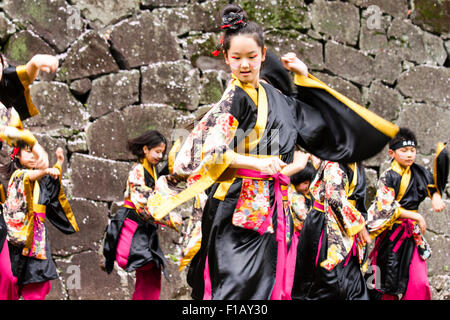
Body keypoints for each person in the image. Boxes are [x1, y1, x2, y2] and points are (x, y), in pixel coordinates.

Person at [143, 4, 398, 300]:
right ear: (225, 58)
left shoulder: (280, 100)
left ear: (263, 55)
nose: (245, 65)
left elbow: (318, 125)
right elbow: (212, 150)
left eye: (252, 57)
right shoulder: (234, 97)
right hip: (234, 207)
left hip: (274, 209)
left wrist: (305, 77)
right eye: (236, 58)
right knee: (233, 289)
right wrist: (258, 164)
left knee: (269, 288)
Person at [365, 128, 447, 300]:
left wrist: (437, 198)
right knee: (387, 286)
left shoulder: (419, 172)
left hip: (412, 236)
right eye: (404, 151)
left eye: (412, 150)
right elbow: (386, 207)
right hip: (391, 236)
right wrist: (416, 216)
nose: (409, 155)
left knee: (420, 282)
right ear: (391, 153)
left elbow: (433, 187)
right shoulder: (388, 177)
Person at [0, 143, 78, 300]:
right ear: (17, 156)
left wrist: (59, 164)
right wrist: (45, 170)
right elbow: (29, 176)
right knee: (9, 279)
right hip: (14, 238)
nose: (33, 156)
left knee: (37, 283)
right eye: (28, 153)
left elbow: (52, 188)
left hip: (37, 239)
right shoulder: (18, 176)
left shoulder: (43, 180)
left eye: (35, 153)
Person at [102, 130, 171, 300]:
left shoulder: (153, 171)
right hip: (133, 226)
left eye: (162, 152)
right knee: (147, 264)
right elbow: (142, 201)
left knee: (152, 273)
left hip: (145, 227)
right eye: (157, 151)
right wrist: (168, 219)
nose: (159, 156)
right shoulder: (138, 170)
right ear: (146, 149)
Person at [291, 159, 371, 300]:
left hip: (347, 227)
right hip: (326, 226)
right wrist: (359, 224)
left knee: (352, 285)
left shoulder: (356, 164)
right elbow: (334, 198)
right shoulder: (334, 163)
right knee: (326, 284)